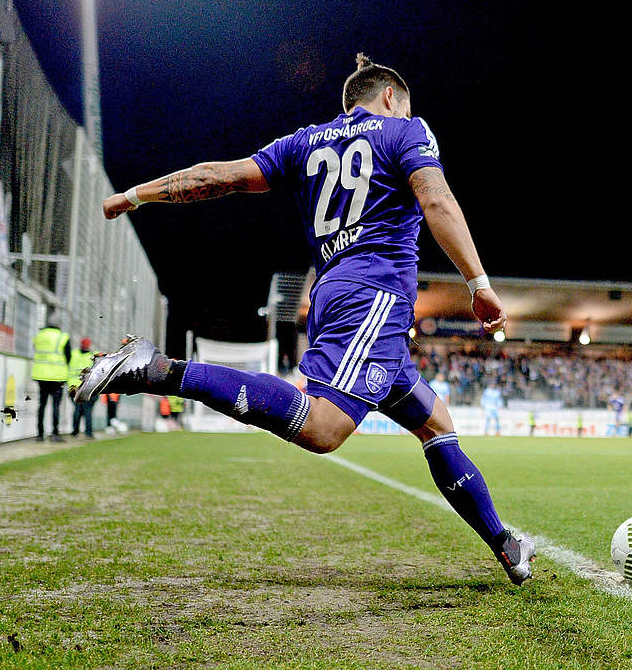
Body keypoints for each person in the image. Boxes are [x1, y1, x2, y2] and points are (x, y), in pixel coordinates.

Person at [73, 54, 534, 584]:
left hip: (336, 293)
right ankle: (158, 370)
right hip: (375, 296)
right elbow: (436, 200)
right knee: (322, 429)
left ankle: (503, 541)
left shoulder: (305, 141)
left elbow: (216, 178)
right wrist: (478, 285)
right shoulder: (406, 131)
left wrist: (134, 196)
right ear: (391, 98)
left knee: (435, 422)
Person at [32, 313, 71, 443]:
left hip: (41, 375)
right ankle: (55, 434)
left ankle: (39, 434)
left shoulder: (39, 336)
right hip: (57, 377)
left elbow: (35, 349)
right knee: (55, 406)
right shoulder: (63, 337)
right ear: (59, 325)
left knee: (42, 404)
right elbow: (68, 356)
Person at [68, 337, 98, 439]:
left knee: (77, 409)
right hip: (87, 388)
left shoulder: (73, 354)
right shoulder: (93, 356)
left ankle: (75, 431)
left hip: (73, 387)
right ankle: (88, 432)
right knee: (88, 410)